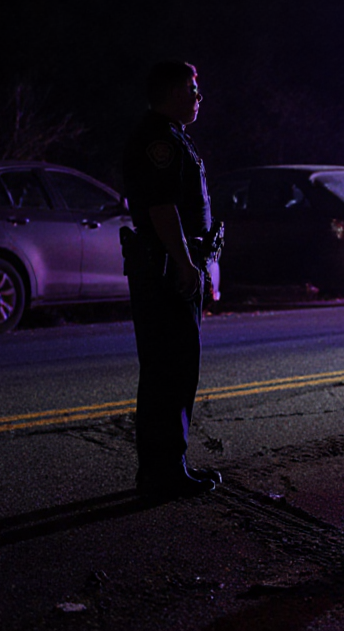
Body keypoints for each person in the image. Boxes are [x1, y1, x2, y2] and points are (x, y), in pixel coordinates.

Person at [121, 61, 223, 497]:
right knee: (172, 370)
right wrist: (185, 265)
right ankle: (165, 473)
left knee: (170, 369)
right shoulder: (159, 140)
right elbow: (162, 209)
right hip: (166, 272)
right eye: (191, 88)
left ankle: (162, 469)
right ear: (171, 91)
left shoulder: (170, 135)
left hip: (169, 267)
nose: (199, 97)